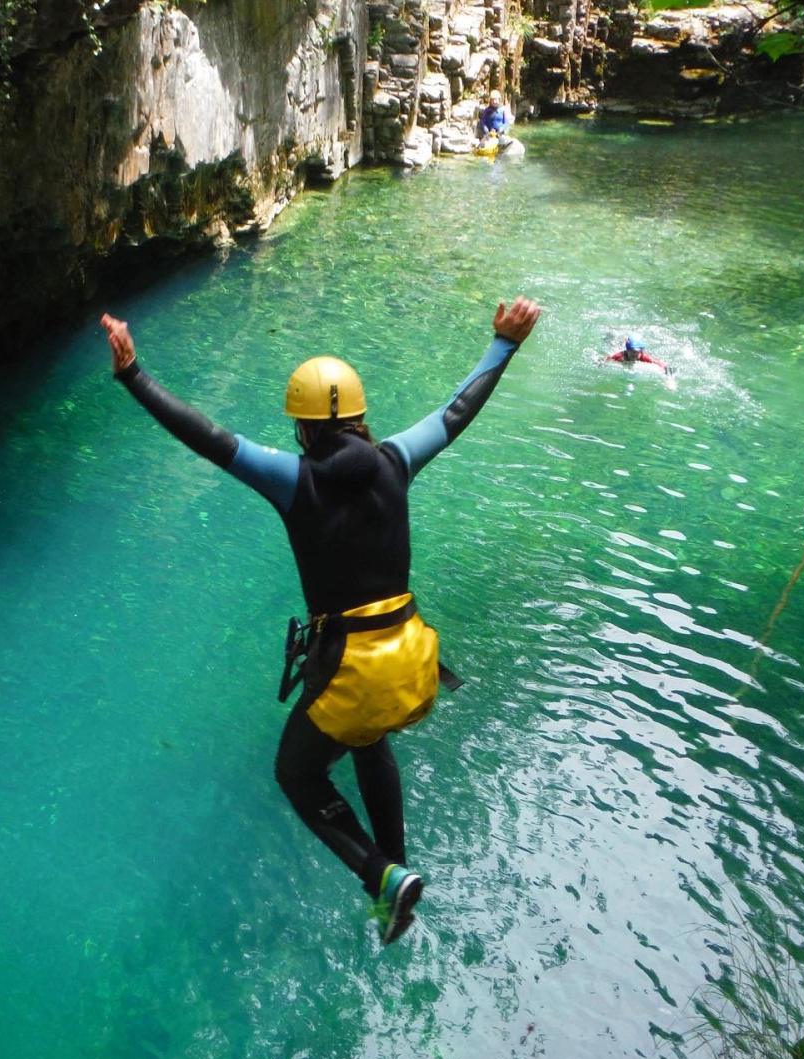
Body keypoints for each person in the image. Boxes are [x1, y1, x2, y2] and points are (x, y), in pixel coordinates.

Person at [100, 297, 542, 945]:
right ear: (360, 418)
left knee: (297, 773)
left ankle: (376, 872)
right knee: (368, 736)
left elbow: (208, 436)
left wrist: (134, 375)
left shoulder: (292, 480)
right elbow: (457, 410)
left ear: (304, 429)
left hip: (348, 667)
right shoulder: (397, 460)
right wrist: (504, 343)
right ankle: (398, 879)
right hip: (410, 659)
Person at [606, 335, 671, 375]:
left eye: (636, 352)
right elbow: (606, 360)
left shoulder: (644, 357)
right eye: (632, 351)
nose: (634, 354)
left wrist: (670, 381)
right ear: (627, 350)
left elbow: (664, 366)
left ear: (641, 351)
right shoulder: (620, 356)